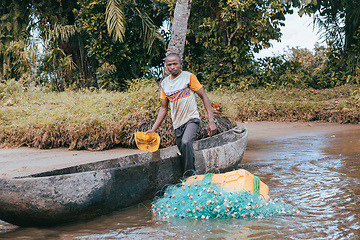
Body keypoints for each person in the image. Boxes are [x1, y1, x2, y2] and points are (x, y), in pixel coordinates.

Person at [147, 53, 217, 176]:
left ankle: (190, 177)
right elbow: (163, 108)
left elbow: (204, 96)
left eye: (175, 63)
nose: (172, 66)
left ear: (180, 64)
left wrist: (211, 120)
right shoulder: (164, 84)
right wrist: (153, 129)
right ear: (166, 67)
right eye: (169, 64)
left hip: (191, 119)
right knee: (184, 151)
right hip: (177, 124)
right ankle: (190, 173)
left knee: (186, 142)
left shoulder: (188, 77)